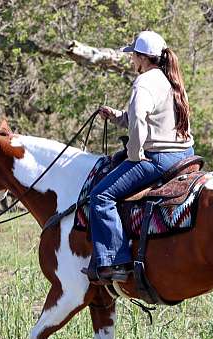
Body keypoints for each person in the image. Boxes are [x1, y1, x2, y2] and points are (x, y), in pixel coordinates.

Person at [82, 30, 194, 284]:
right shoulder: (170, 79)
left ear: (142, 57)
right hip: (185, 154)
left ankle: (115, 261)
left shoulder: (144, 82)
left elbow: (140, 122)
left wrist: (135, 154)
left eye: (133, 55)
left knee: (101, 195)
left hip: (160, 159)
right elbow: (151, 119)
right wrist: (118, 116)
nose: (131, 60)